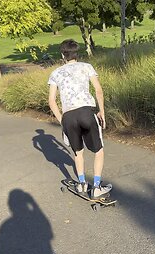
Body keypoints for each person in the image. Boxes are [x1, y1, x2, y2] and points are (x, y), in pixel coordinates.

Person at [48, 39, 112, 199]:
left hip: (68, 116)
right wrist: (102, 111)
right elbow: (98, 90)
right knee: (99, 150)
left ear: (63, 54)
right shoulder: (86, 67)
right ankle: (96, 186)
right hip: (86, 112)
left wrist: (62, 120)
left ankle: (82, 183)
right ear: (77, 53)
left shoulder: (55, 73)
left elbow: (51, 101)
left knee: (78, 153)